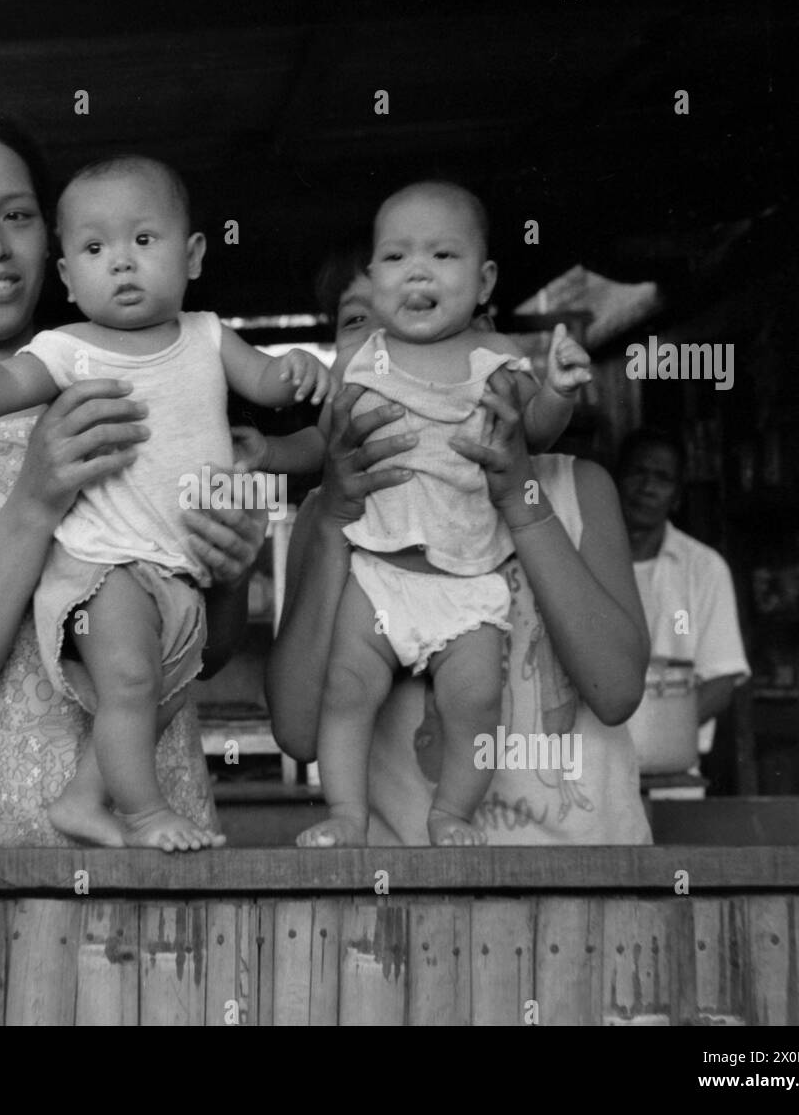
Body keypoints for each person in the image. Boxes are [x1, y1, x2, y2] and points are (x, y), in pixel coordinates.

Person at [0, 105, 267, 850]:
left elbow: (207, 656)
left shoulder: (150, 387)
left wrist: (231, 576)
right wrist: (35, 498)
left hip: (162, 850)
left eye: (16, 215)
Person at [268, 258, 654, 846]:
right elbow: (297, 734)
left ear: (476, 332)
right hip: (408, 893)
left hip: (588, 884)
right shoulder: (328, 516)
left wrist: (520, 499)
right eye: (358, 322)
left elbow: (618, 691)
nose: (392, 342)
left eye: (418, 316)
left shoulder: (575, 490)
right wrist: (334, 522)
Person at [615, 428, 750, 772]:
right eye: (637, 473)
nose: (647, 488)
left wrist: (652, 738)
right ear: (615, 481)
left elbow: (720, 682)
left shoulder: (704, 568)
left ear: (677, 496)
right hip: (591, 767)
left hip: (670, 766)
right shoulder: (579, 560)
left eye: (662, 478)